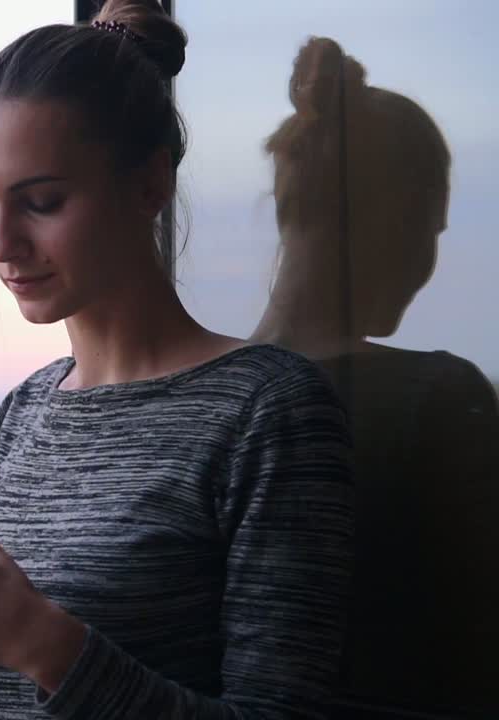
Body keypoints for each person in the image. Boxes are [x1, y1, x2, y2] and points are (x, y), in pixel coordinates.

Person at [0, 1, 355, 717]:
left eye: (42, 201)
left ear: (150, 185)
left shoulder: (268, 411)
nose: (2, 245)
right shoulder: (28, 408)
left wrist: (35, 638)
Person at [251, 37, 499, 716]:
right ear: (399, 219)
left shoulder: (205, 389)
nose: (430, 262)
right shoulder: (437, 402)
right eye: (434, 230)